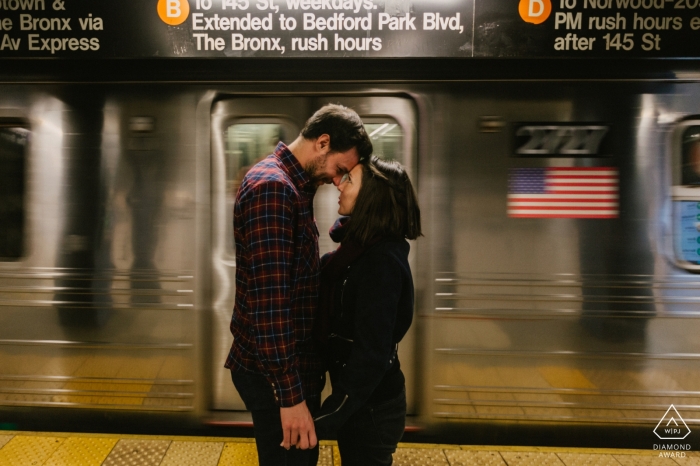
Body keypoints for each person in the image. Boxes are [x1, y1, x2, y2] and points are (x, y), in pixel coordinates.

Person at [225, 104, 372, 465]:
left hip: (288, 368)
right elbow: (271, 302)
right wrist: (289, 398)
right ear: (322, 142)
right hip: (276, 376)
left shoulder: (295, 187)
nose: (338, 181)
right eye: (340, 169)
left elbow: (296, 271)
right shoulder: (274, 189)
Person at [314, 156, 422, 466]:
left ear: (372, 197)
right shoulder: (357, 251)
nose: (339, 183)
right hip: (363, 404)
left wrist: (333, 411)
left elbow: (371, 352)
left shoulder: (381, 262)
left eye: (349, 179)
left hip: (372, 410)